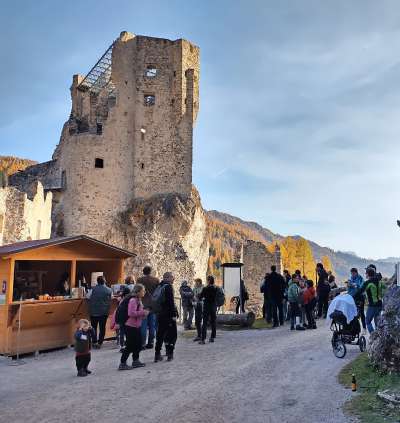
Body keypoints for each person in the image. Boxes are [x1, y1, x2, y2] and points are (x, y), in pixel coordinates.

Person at [119, 283, 149, 370]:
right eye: (143, 291)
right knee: (130, 345)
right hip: (130, 325)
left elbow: (138, 312)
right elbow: (131, 313)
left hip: (137, 325)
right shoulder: (133, 300)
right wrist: (143, 312)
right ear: (138, 291)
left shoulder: (139, 300)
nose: (144, 292)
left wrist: (144, 314)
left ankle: (135, 360)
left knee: (138, 344)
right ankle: (123, 363)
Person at [154, 272, 178, 362]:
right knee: (172, 334)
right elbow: (170, 302)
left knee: (161, 334)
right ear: (167, 278)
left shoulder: (159, 286)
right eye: (172, 277)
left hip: (160, 314)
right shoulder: (168, 287)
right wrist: (174, 315)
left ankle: (157, 354)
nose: (173, 279)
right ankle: (170, 354)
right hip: (168, 314)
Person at [137, 266, 159, 349]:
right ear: (150, 271)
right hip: (153, 305)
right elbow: (158, 292)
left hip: (143, 305)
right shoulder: (156, 280)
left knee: (143, 325)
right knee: (152, 325)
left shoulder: (140, 280)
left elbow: (137, 291)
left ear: (143, 271)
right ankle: (151, 342)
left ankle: (142, 343)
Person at [89, 275, 112, 349]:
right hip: (103, 312)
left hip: (94, 311)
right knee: (102, 327)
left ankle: (94, 341)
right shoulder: (109, 290)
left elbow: (87, 296)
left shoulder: (93, 289)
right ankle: (100, 342)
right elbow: (111, 298)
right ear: (104, 281)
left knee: (93, 327)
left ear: (97, 281)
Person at [363, 267, 385, 334]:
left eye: (366, 273)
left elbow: (361, 291)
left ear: (368, 274)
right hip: (379, 304)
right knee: (377, 322)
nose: (365, 275)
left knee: (367, 321)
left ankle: (373, 336)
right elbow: (384, 289)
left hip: (372, 305)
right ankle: (378, 337)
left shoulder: (368, 283)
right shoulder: (379, 281)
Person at [110, 286, 131, 350]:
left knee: (120, 330)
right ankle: (127, 344)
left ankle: (121, 344)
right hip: (127, 316)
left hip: (119, 315)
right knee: (127, 331)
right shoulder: (130, 299)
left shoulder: (120, 298)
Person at [199, 275, 218, 344]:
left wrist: (201, 296)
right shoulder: (216, 288)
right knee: (213, 322)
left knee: (204, 323)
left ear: (209, 281)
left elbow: (200, 297)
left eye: (207, 280)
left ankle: (203, 339)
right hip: (213, 306)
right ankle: (212, 337)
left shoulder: (205, 288)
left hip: (207, 306)